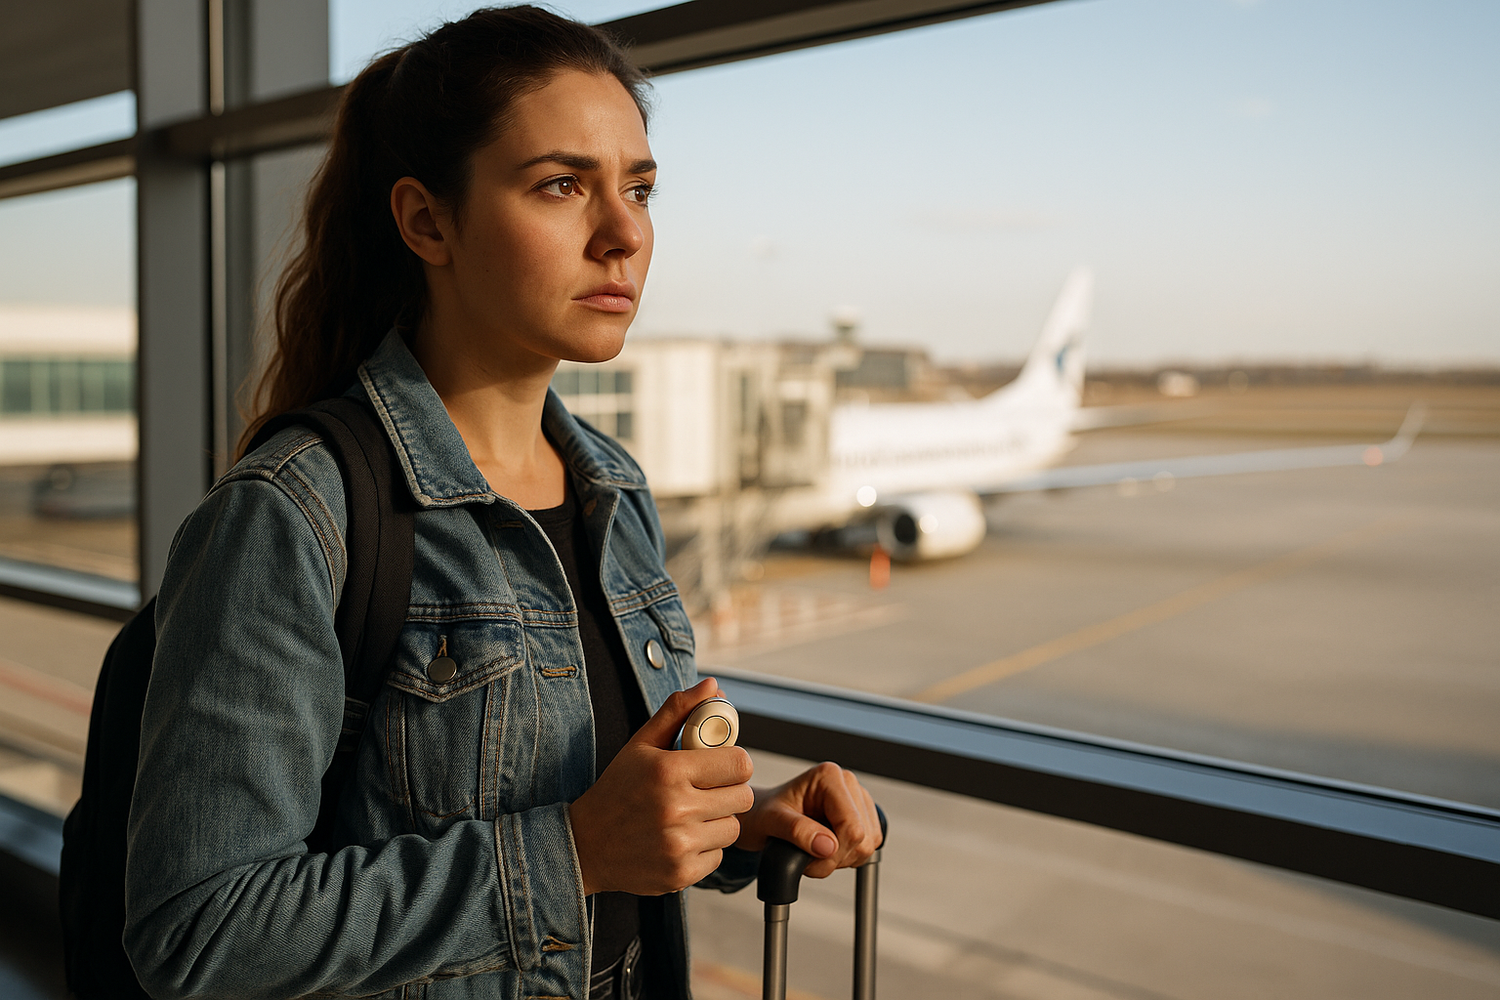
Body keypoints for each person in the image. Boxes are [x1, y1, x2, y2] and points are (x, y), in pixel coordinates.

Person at [122, 7, 881, 1000]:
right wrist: (568, 855)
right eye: (562, 185)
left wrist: (732, 825)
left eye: (639, 187)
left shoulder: (614, 488)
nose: (623, 234)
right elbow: (199, 927)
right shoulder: (297, 511)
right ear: (427, 220)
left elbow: (592, 810)